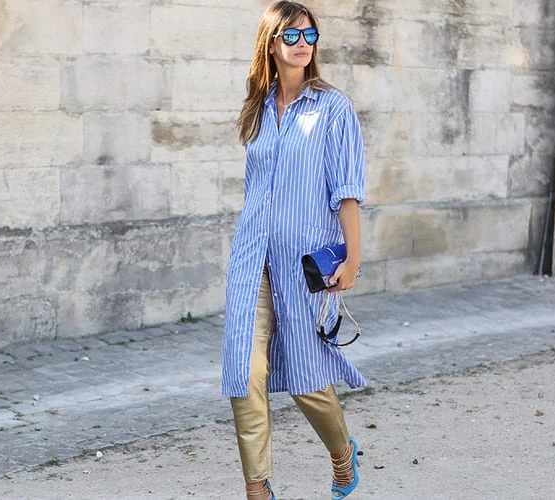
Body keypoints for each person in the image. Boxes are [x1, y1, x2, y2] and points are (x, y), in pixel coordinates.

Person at [222, 2, 367, 499]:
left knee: (307, 375)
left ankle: (342, 455)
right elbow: (255, 190)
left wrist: (352, 260)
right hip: (252, 260)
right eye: (292, 35)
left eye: (310, 35)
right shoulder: (258, 108)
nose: (303, 43)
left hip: (304, 265)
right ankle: (258, 489)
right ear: (271, 43)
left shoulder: (333, 108)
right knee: (244, 371)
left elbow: (346, 193)